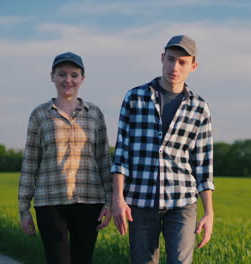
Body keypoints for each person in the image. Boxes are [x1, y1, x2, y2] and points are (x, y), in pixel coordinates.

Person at [111, 35, 215, 264]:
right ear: (162, 58)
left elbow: (203, 165)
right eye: (170, 59)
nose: (174, 67)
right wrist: (117, 197)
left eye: (182, 62)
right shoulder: (135, 97)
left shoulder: (199, 107)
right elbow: (121, 154)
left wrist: (209, 212)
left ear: (193, 66)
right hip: (140, 200)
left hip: (182, 201)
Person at [18, 52, 112, 264]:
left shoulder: (95, 114)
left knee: (83, 260)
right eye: (61, 74)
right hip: (50, 202)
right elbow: (30, 163)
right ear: (52, 77)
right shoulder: (39, 115)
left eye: (74, 75)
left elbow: (104, 160)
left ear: (82, 79)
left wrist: (109, 202)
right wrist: (24, 210)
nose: (67, 80)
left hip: (90, 200)